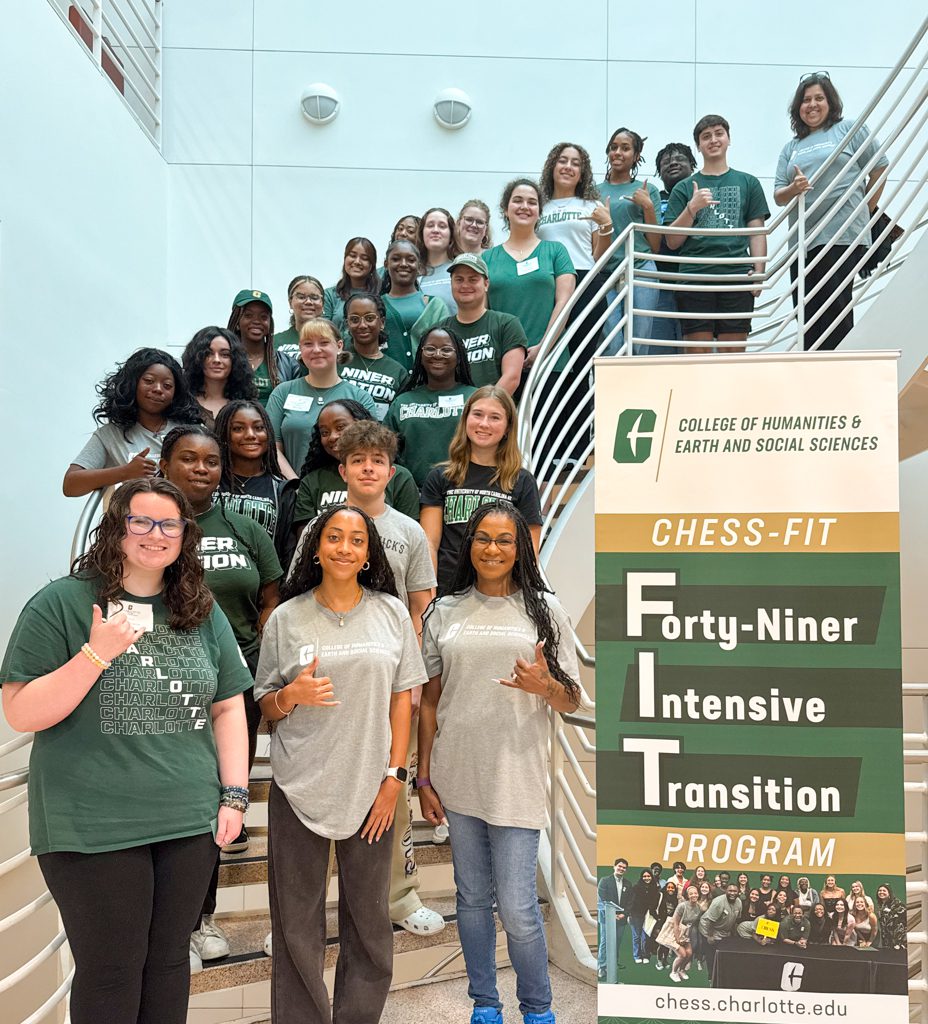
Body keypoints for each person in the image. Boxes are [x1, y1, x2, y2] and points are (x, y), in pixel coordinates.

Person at [1, 478, 251, 1023]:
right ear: (116, 528)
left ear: (186, 535)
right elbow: (20, 711)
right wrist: (96, 653)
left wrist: (234, 794)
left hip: (187, 820)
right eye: (140, 521)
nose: (155, 534)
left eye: (169, 524)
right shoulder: (62, 602)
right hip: (92, 826)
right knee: (112, 970)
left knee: (167, 965)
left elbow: (228, 705)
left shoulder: (199, 609)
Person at [255, 505, 423, 1023]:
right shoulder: (287, 617)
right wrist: (292, 694)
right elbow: (264, 706)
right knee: (296, 924)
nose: (345, 547)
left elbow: (403, 700)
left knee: (370, 921)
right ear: (317, 546)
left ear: (368, 550)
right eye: (334, 537)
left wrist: (395, 778)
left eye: (356, 539)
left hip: (372, 786)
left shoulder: (392, 613)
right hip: (299, 784)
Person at [418, 501, 581, 1024]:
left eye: (504, 540)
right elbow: (427, 700)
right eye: (483, 538)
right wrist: (422, 776)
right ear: (469, 545)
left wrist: (546, 686)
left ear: (520, 548)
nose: (492, 548)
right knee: (471, 901)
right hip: (457, 774)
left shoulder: (543, 610)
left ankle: (537, 1008)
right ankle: (485, 1003)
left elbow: (573, 699)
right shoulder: (444, 611)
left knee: (517, 908)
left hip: (517, 775)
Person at [288, 419, 445, 937]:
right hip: (330, 678)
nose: (369, 468)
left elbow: (422, 602)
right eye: (359, 460)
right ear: (344, 468)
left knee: (390, 790)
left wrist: (416, 672)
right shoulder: (319, 528)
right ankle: (305, 911)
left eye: (378, 461)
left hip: (388, 677)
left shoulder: (408, 531)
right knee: (321, 794)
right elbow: (296, 600)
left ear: (391, 469)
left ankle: (400, 898)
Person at [158, 426, 283, 965]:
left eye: (211, 461)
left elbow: (271, 596)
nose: (201, 469)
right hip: (168, 681)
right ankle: (174, 926)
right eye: (188, 459)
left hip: (236, 685)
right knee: (182, 799)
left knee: (219, 800)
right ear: (165, 465)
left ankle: (200, 920)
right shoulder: (150, 525)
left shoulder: (244, 526)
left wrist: (258, 666)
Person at [774, 72, 889, 351]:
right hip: (803, 241)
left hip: (840, 235)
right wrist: (795, 187)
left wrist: (864, 210)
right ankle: (814, 378)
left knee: (835, 309)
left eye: (818, 98)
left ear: (830, 102)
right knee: (808, 314)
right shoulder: (791, 147)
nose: (811, 105)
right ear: (797, 108)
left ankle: (837, 376)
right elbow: (779, 195)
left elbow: (879, 167)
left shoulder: (849, 129)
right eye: (805, 100)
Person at [420, 386, 543, 594]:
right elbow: (429, 544)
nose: (484, 424)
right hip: (448, 591)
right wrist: (430, 595)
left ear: (507, 428)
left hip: (502, 593)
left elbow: (529, 551)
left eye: (495, 417)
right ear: (466, 419)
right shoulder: (440, 477)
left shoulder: (522, 481)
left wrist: (521, 595)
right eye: (477, 414)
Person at [663, 115, 770, 353]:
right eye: (706, 136)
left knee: (732, 353)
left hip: (736, 276)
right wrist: (692, 208)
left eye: (719, 133)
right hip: (694, 277)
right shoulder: (683, 187)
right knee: (697, 353)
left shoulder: (749, 182)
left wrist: (759, 272)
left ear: (728, 139)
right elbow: (672, 241)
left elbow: (757, 231)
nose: (713, 140)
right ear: (698, 146)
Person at [63, 348, 203, 498]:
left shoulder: (191, 431)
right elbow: (71, 485)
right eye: (149, 381)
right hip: (137, 518)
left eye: (167, 386)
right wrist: (125, 472)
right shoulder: (111, 434)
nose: (158, 389)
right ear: (132, 384)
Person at [482, 178, 575, 371]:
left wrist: (544, 348)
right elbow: (482, 311)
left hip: (549, 360)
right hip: (500, 361)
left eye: (532, 202)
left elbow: (564, 303)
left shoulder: (556, 251)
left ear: (539, 212)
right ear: (505, 209)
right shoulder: (487, 258)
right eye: (517, 200)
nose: (525, 206)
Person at [266, 317, 376, 478]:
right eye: (308, 344)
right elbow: (272, 448)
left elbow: (371, 449)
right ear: (300, 349)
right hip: (292, 490)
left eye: (324, 343)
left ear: (339, 346)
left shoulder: (360, 397)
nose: (316, 350)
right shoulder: (283, 392)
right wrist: (296, 486)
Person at [292, 399, 419, 531]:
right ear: (343, 472)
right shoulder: (312, 481)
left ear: (361, 425)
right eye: (324, 432)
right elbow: (305, 540)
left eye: (340, 427)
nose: (332, 436)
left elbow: (410, 531)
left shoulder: (400, 477)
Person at [383, 326, 477, 487]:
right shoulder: (402, 402)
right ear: (420, 355)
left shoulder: (475, 398)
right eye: (430, 349)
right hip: (414, 494)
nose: (438, 355)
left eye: (446, 350)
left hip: (465, 490)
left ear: (459, 356)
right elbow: (385, 451)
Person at [598, 129, 663, 353]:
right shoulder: (593, 192)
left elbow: (655, 245)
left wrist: (648, 206)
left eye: (625, 148)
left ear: (636, 156)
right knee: (610, 343)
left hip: (641, 268)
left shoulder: (648, 190)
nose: (618, 152)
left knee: (638, 341)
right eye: (613, 147)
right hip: (605, 272)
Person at [215, 400, 299, 567]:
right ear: (224, 435)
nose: (250, 435)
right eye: (238, 428)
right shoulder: (210, 483)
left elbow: (287, 553)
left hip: (264, 586)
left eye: (259, 428)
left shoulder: (281, 490)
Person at [441, 253, 527, 392]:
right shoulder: (440, 330)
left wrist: (481, 408)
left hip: (493, 409)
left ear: (486, 284)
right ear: (451, 284)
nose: (465, 285)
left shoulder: (507, 324)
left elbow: (511, 378)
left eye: (473, 279)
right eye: (459, 279)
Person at [650, 142, 698, 353]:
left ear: (692, 165)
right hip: (660, 285)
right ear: (659, 172)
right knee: (659, 355)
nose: (673, 163)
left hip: (698, 283)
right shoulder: (653, 200)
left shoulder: (704, 193)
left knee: (699, 356)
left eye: (680, 159)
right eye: (666, 162)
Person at [382, 238, 450, 371]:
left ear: (419, 266)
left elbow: (446, 348)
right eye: (396, 259)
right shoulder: (376, 306)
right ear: (386, 264)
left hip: (425, 384)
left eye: (411, 260)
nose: (403, 264)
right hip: (387, 383)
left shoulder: (434, 306)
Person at [340, 292, 410, 419]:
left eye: (370, 318)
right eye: (355, 319)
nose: (362, 325)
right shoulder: (335, 362)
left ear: (382, 322)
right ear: (347, 324)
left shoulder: (398, 372)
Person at [227, 289, 299, 405]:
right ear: (236, 322)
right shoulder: (223, 360)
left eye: (263, 317)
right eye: (248, 315)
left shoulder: (288, 365)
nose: (256, 321)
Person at [181, 326, 257, 430]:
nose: (216, 360)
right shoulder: (183, 402)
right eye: (208, 354)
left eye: (224, 355)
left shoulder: (247, 402)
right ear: (197, 358)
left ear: (235, 360)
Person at [323, 237, 381, 337]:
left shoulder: (381, 292)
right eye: (352, 256)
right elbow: (323, 331)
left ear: (372, 265)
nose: (357, 261)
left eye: (364, 258)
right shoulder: (330, 295)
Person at [416, 207, 460, 312]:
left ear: (451, 235)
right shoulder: (412, 272)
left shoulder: (460, 269)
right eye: (430, 225)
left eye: (442, 226)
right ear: (422, 233)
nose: (435, 230)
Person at [274, 276, 325, 363]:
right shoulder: (275, 341)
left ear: (323, 303)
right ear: (290, 302)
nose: (308, 302)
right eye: (301, 297)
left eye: (314, 297)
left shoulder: (332, 339)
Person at [698, 883, 742, 978]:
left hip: (723, 931)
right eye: (730, 891)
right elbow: (710, 921)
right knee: (711, 956)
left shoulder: (739, 902)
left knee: (721, 954)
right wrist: (710, 936)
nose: (732, 893)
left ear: (738, 892)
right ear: (726, 891)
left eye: (735, 891)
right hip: (709, 929)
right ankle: (711, 976)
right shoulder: (718, 902)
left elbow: (735, 920)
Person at [597, 858, 631, 979]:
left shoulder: (627, 883)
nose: (621, 869)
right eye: (619, 866)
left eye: (624, 867)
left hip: (621, 919)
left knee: (616, 942)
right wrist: (612, 915)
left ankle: (613, 964)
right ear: (614, 866)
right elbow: (602, 899)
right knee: (605, 942)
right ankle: (602, 966)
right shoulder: (604, 881)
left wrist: (624, 914)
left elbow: (629, 902)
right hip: (607, 918)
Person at [668, 884, 703, 982]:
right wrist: (677, 937)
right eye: (691, 894)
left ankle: (681, 970)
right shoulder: (682, 906)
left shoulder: (698, 907)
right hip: (677, 932)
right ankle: (673, 972)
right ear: (687, 895)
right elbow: (675, 923)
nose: (694, 895)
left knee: (689, 953)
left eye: (695, 893)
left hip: (687, 933)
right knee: (682, 955)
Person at [627, 869, 660, 965]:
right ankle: (637, 956)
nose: (646, 878)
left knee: (646, 936)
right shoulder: (636, 888)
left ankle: (646, 955)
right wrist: (629, 914)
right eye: (644, 876)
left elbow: (655, 904)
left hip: (648, 916)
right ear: (641, 877)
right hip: (636, 915)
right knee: (636, 936)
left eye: (648, 876)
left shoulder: (655, 888)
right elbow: (630, 902)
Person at [651, 880, 678, 968]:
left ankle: (665, 960)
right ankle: (659, 961)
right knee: (661, 943)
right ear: (666, 888)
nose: (671, 889)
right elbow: (652, 909)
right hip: (661, 923)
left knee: (667, 943)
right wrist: (658, 918)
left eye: (672, 888)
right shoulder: (661, 896)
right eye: (669, 887)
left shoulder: (676, 899)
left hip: (670, 924)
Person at [876, 883, 907, 949]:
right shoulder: (881, 905)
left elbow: (901, 924)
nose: (881, 892)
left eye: (884, 890)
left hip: (897, 942)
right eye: (880, 890)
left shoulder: (897, 904)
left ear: (889, 893)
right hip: (886, 941)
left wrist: (898, 943)